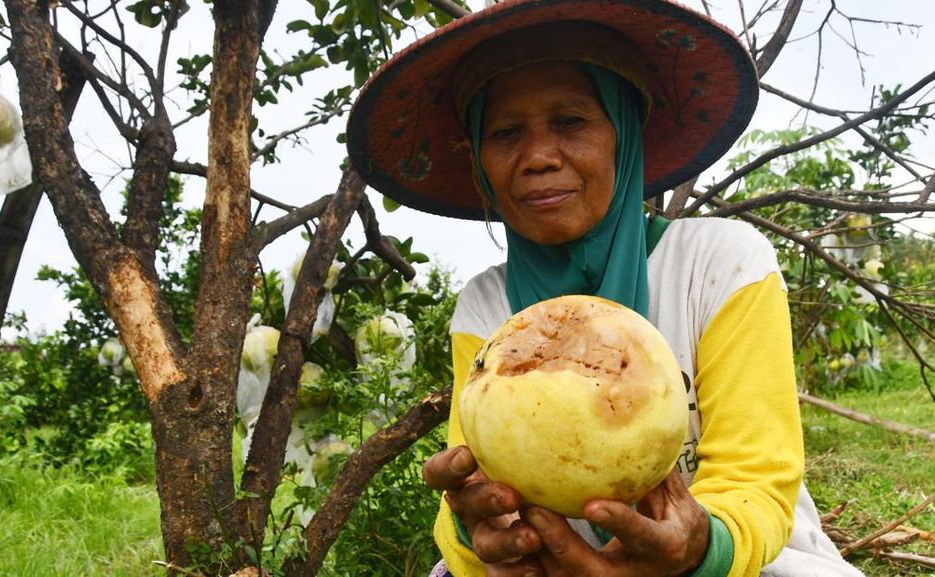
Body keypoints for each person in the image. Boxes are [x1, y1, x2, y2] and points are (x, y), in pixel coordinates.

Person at [345, 1, 865, 575]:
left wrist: (697, 548)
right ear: (479, 160)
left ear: (623, 132)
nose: (538, 157)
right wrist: (474, 528)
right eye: (506, 132)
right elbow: (476, 475)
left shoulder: (720, 264)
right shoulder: (486, 308)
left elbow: (756, 477)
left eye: (570, 121)